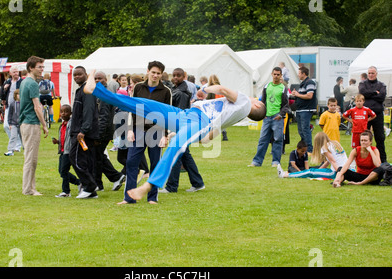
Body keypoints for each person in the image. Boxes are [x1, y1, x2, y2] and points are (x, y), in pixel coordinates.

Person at [83, 69, 266, 202]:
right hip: (188, 116)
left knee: (172, 144)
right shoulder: (235, 115)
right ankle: (95, 89)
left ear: (256, 106)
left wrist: (206, 89)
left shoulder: (244, 102)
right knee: (143, 104)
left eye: (256, 100)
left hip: (196, 120)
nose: (253, 98)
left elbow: (223, 90)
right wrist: (179, 133)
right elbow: (206, 138)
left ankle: (149, 185)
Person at [117, 61, 172, 205]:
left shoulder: (166, 91)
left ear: (161, 75)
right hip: (138, 130)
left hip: (157, 131)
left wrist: (165, 136)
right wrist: (130, 130)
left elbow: (168, 115)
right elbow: (132, 109)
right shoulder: (138, 88)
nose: (155, 75)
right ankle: (129, 198)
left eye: (158, 73)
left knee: (155, 165)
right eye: (153, 72)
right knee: (131, 162)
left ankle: (152, 198)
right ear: (148, 71)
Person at [160, 68, 205, 194]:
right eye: (174, 75)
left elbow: (180, 113)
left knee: (177, 155)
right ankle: (198, 183)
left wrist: (175, 130)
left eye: (178, 76)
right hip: (179, 126)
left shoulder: (181, 93)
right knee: (185, 156)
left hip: (180, 126)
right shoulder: (176, 89)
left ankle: (171, 186)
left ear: (184, 76)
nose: (175, 78)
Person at [19, 56, 49, 196]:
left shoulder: (26, 82)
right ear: (31, 68)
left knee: (31, 157)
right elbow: (37, 107)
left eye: (43, 67)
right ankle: (28, 189)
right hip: (31, 123)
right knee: (31, 158)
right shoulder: (32, 84)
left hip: (26, 123)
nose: (42, 69)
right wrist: (44, 124)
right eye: (39, 67)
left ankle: (30, 187)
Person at [69, 66, 100, 199]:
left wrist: (83, 130)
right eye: (74, 75)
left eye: (79, 74)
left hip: (83, 133)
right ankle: (90, 190)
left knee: (75, 158)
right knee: (85, 160)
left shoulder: (87, 90)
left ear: (86, 75)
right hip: (81, 130)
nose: (76, 77)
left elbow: (88, 111)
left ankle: (89, 186)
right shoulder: (80, 90)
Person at [249, 67, 289, 167]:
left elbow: (286, 105)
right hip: (267, 117)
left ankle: (276, 162)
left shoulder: (283, 88)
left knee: (277, 140)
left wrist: (281, 115)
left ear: (281, 76)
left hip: (277, 118)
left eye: (278, 74)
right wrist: (262, 114)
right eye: (274, 74)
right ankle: (257, 162)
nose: (276, 76)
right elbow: (263, 102)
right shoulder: (267, 86)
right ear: (272, 74)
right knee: (263, 140)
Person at [93, 71, 126, 191]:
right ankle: (104, 181)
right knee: (98, 156)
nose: (97, 80)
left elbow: (104, 116)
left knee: (97, 156)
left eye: (99, 78)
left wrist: (99, 135)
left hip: (104, 132)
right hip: (104, 131)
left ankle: (114, 177)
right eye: (95, 78)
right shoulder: (100, 92)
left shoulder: (104, 95)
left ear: (105, 79)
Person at [277, 132, 347, 179]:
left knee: (310, 172)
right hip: (348, 170)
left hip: (336, 172)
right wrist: (318, 172)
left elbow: (333, 161)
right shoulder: (335, 144)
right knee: (314, 171)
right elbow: (327, 162)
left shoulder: (325, 147)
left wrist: (339, 173)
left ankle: (285, 175)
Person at [358, 66, 387, 163]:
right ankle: (363, 159)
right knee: (364, 138)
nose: (370, 75)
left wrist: (369, 95)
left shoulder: (382, 85)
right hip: (365, 115)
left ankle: (382, 161)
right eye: (369, 73)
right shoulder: (362, 83)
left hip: (378, 114)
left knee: (380, 137)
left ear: (376, 74)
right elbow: (362, 93)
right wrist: (375, 93)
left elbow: (382, 97)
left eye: (372, 73)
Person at [53, 104, 81, 197]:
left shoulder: (71, 124)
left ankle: (66, 191)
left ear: (71, 113)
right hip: (62, 150)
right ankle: (79, 182)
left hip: (69, 151)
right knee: (61, 171)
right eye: (61, 112)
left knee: (64, 171)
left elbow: (71, 138)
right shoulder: (62, 125)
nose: (63, 114)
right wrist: (58, 141)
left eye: (66, 112)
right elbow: (64, 138)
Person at [291, 66, 317, 152]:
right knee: (301, 131)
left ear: (303, 73)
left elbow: (309, 96)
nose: (298, 75)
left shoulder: (310, 82)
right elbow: (302, 95)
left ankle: (309, 149)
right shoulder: (302, 83)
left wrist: (298, 95)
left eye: (299, 73)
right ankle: (303, 147)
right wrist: (295, 94)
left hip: (306, 110)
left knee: (305, 130)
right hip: (300, 109)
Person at [1, 65, 23, 150]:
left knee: (16, 126)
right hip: (8, 106)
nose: (16, 73)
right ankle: (15, 142)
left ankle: (17, 146)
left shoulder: (21, 82)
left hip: (18, 106)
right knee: (6, 126)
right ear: (10, 73)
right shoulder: (8, 82)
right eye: (14, 72)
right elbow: (2, 94)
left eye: (17, 72)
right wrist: (4, 89)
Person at [5, 90, 22, 156]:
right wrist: (10, 123)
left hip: (21, 124)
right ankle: (10, 150)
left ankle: (26, 149)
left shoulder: (23, 103)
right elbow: (10, 114)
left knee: (23, 137)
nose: (19, 96)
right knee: (13, 136)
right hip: (14, 124)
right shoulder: (12, 104)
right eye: (18, 94)